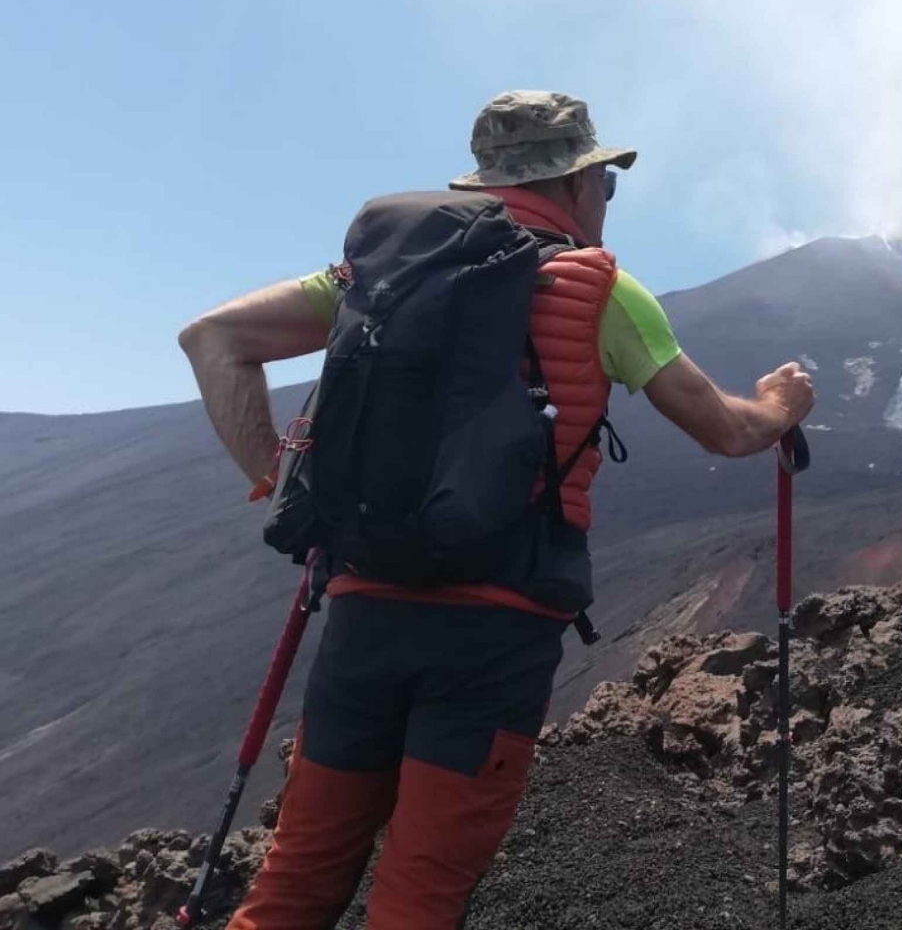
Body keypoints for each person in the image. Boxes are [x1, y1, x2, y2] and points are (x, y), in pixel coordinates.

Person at [178, 90, 815, 930]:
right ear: (576, 184)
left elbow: (212, 338)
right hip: (493, 633)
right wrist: (780, 404)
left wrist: (284, 480)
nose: (605, 204)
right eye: (605, 184)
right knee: (418, 898)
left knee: (295, 883)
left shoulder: (377, 274)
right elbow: (727, 431)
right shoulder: (605, 292)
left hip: (364, 612)